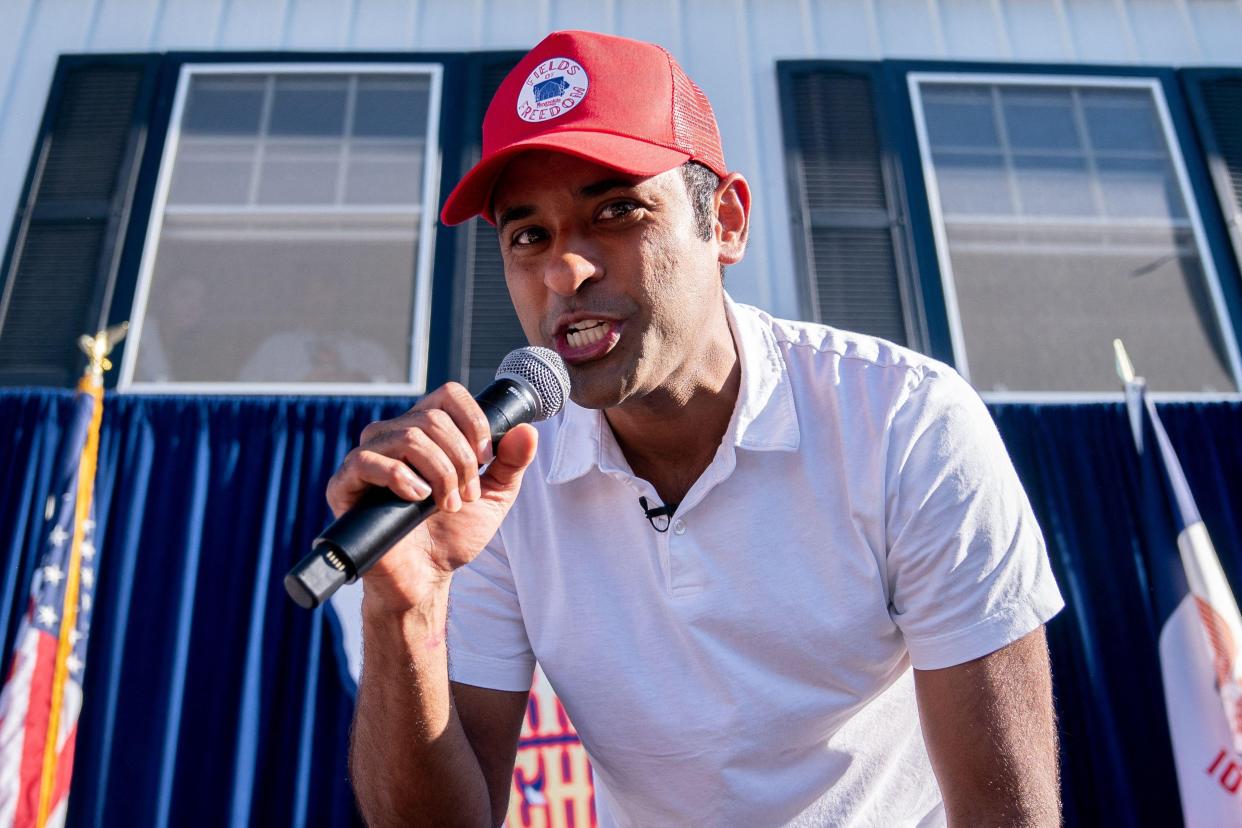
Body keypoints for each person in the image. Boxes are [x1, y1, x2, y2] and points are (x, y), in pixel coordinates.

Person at [331, 29, 1064, 826]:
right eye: (527, 235)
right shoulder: (498, 475)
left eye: (617, 210)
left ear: (728, 223)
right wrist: (405, 605)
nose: (564, 271)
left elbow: (1009, 815)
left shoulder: (905, 422)